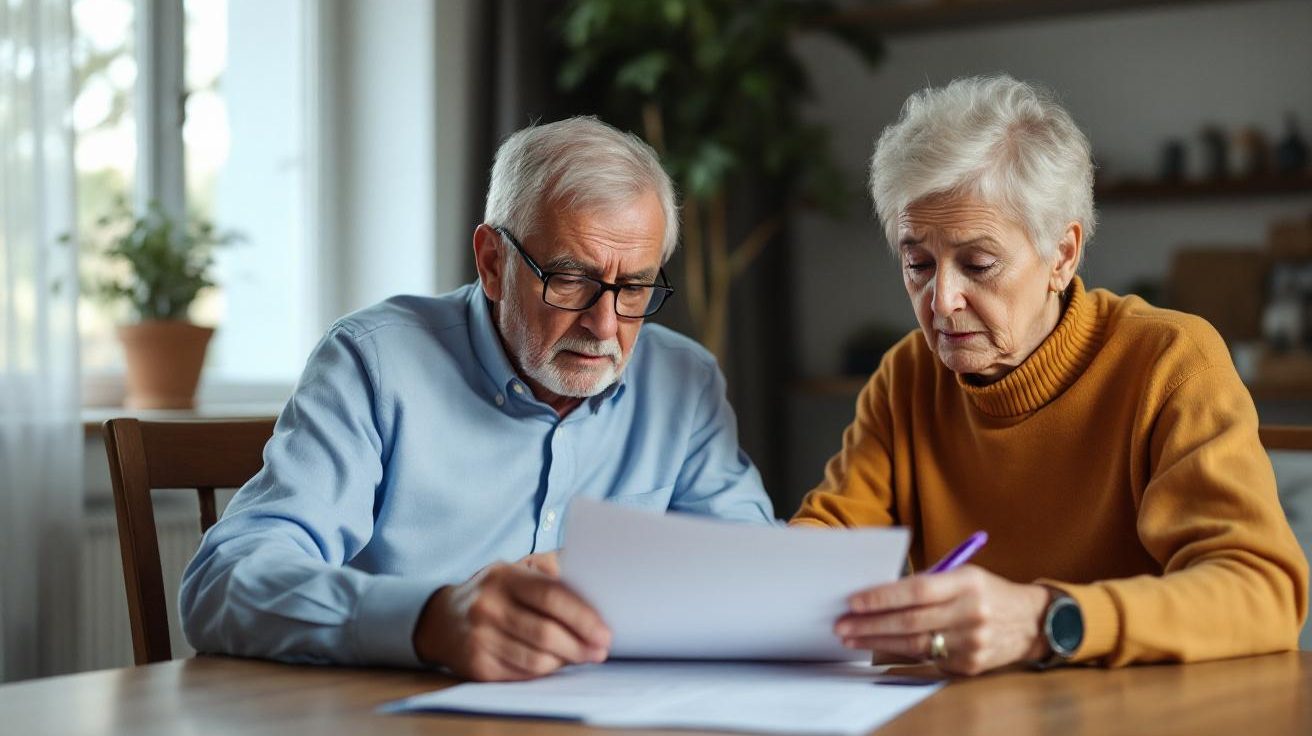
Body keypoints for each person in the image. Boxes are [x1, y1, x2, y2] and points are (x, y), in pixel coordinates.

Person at [180, 117, 775, 682]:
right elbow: (224, 583)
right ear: (493, 262)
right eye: (570, 278)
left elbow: (754, 572)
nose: (603, 323)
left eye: (635, 286)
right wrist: (431, 620)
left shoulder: (683, 381)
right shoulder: (375, 363)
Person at [791, 75, 1308, 674]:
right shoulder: (908, 374)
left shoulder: (1171, 361)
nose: (941, 301)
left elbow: (1262, 593)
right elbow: (826, 540)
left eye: (978, 264)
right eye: (919, 264)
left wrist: (1046, 621)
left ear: (1062, 255)